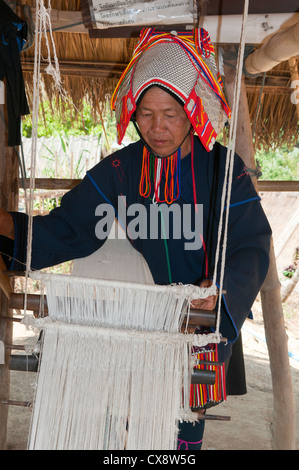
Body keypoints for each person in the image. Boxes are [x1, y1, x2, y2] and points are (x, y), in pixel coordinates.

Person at [0, 28, 271, 450]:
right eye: (146, 113)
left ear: (193, 109)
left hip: (200, 317)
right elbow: (69, 229)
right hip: (138, 319)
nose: (158, 127)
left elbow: (251, 244)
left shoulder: (222, 170)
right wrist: (6, 228)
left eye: (171, 113)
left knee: (186, 413)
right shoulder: (121, 171)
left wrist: (222, 291)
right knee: (125, 414)